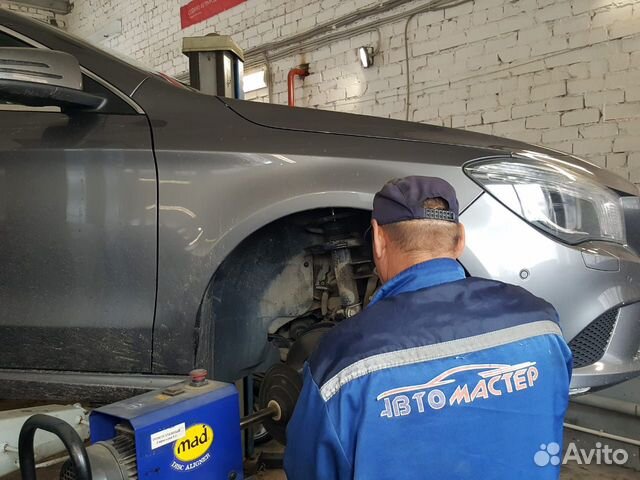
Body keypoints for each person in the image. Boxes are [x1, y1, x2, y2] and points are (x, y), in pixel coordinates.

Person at [284, 176, 572, 479]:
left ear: (378, 239)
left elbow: (307, 469)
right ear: (460, 239)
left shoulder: (343, 362)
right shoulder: (542, 324)